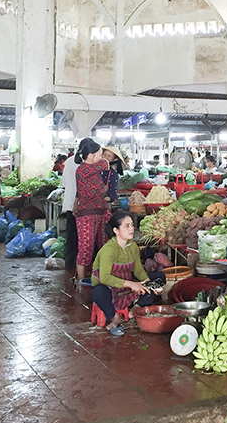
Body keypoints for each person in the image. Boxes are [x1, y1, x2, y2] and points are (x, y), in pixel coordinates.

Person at [91, 211, 164, 336]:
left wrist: (148, 284)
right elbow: (104, 277)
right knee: (98, 292)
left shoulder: (132, 246)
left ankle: (135, 310)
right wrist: (130, 284)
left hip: (127, 286)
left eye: (131, 225)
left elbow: (138, 270)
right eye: (127, 226)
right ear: (116, 230)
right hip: (109, 287)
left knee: (159, 277)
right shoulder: (109, 249)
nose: (132, 228)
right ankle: (114, 317)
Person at [74, 139, 112, 282]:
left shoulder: (94, 167)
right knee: (86, 249)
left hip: (100, 212)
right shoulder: (82, 170)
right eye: (99, 154)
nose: (101, 157)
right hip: (86, 215)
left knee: (104, 244)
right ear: (90, 155)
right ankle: (81, 280)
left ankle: (104, 275)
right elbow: (105, 164)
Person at [61, 138, 90, 271]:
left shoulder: (70, 161)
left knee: (71, 235)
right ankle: (82, 267)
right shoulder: (86, 163)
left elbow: (64, 182)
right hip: (80, 205)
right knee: (83, 238)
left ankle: (69, 264)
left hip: (68, 203)